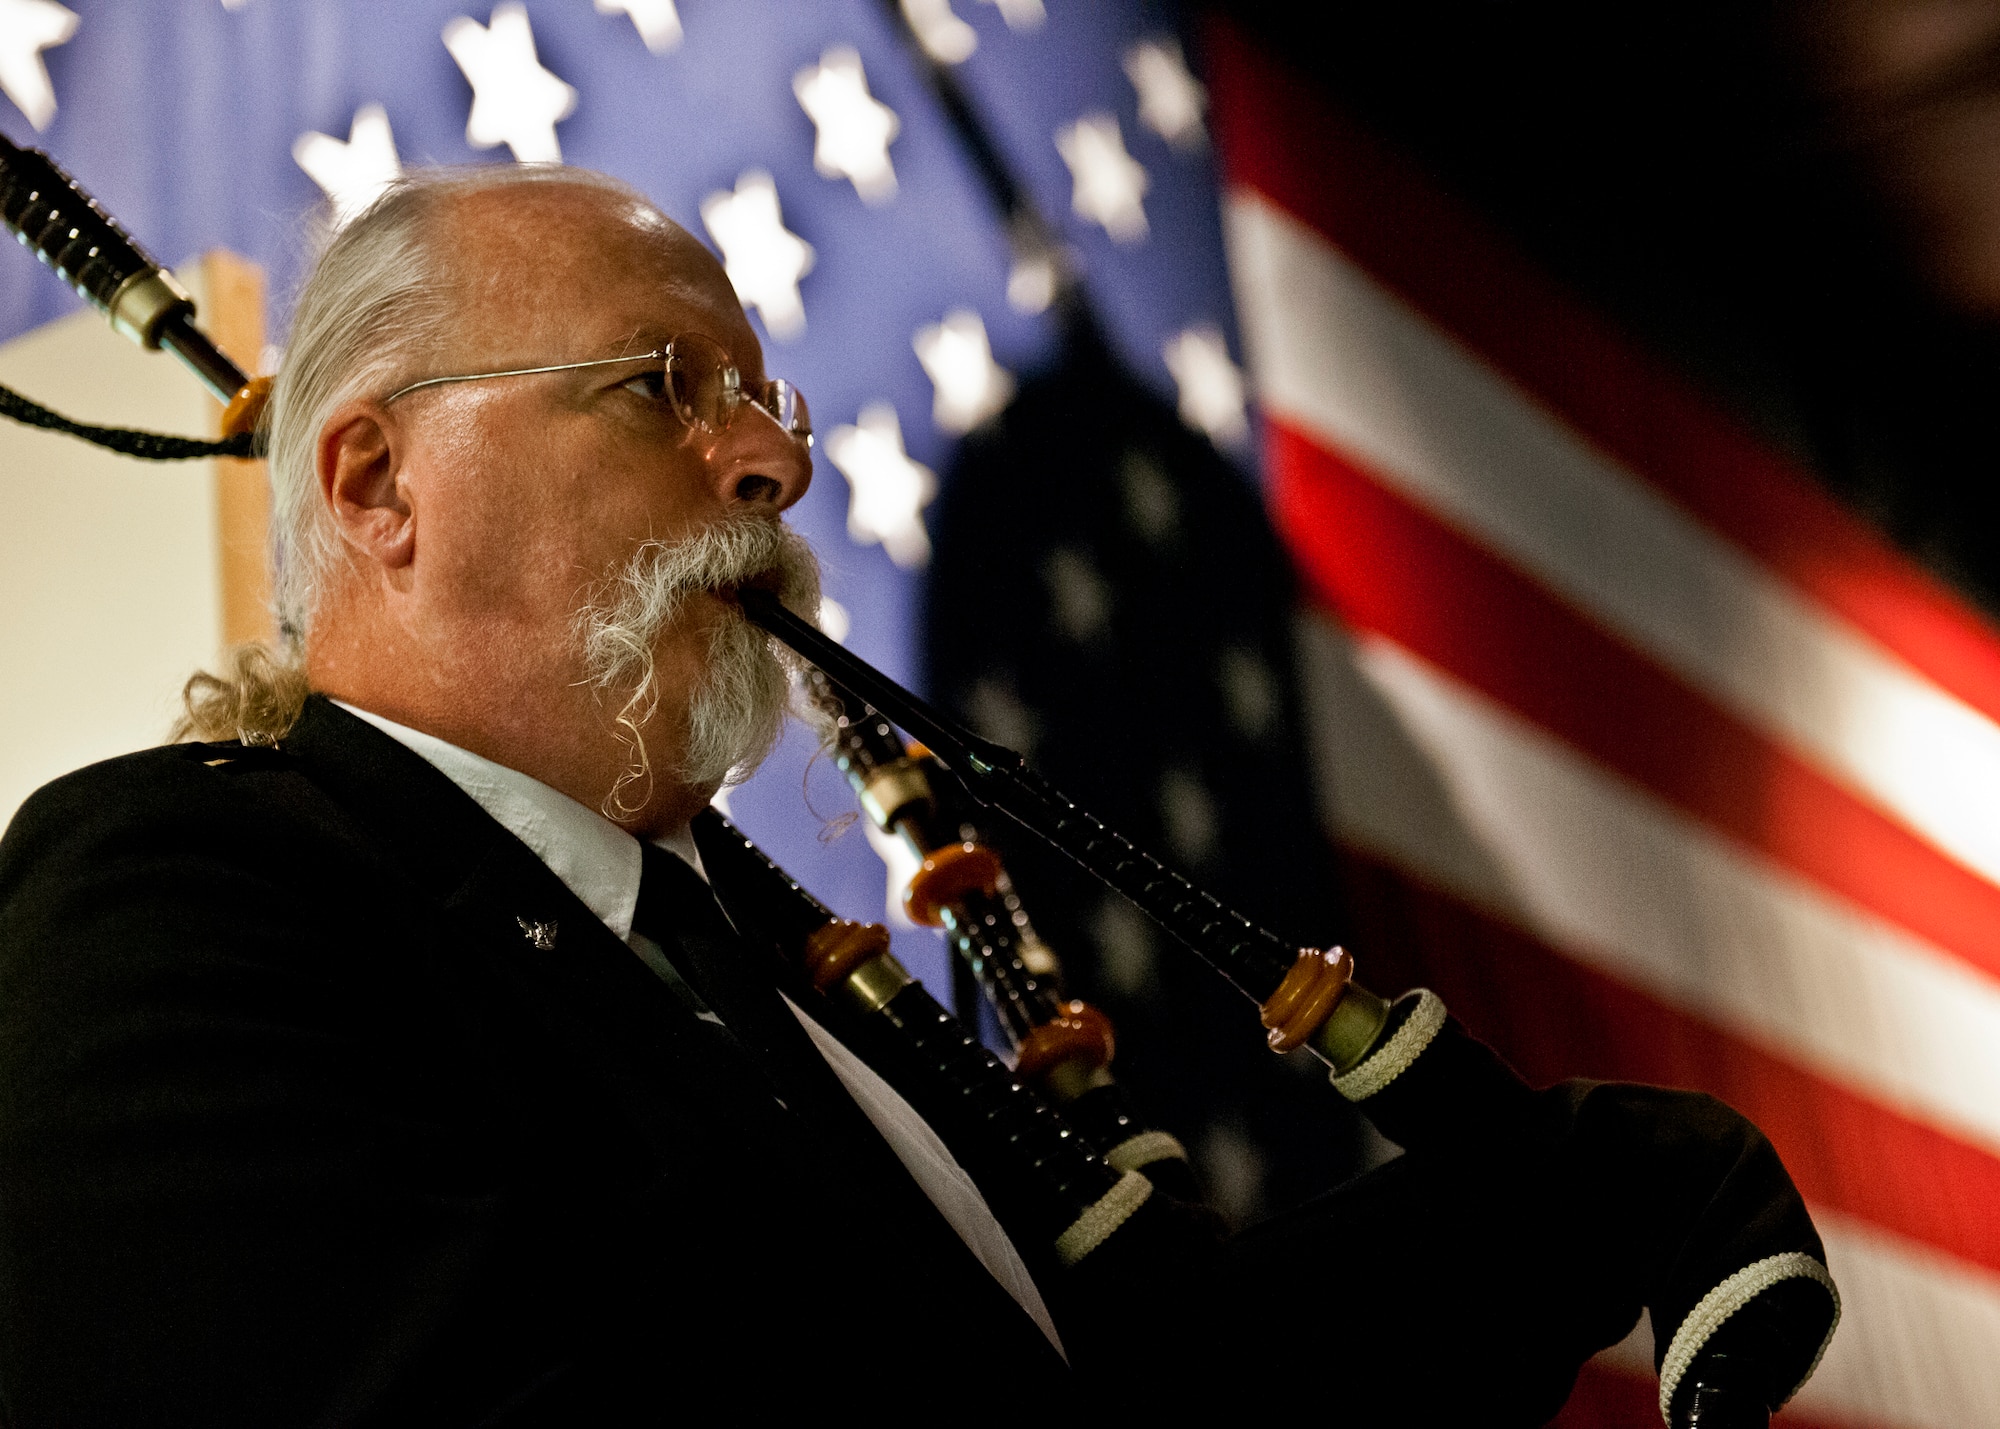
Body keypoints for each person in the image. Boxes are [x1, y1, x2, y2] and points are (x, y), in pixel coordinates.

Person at [0, 165, 1835, 1427]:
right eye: (668, 387)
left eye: (768, 399)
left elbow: (1154, 1388)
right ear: (379, 480)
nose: (773, 459)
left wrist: (1582, 1197)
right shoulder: (170, 894)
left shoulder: (757, 972)